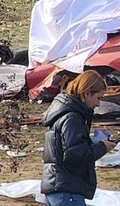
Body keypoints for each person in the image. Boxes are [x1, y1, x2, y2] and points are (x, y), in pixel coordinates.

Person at [41, 70, 116, 205]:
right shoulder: (72, 118)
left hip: (57, 186)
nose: (98, 104)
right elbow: (74, 154)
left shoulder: (62, 113)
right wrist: (101, 147)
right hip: (67, 190)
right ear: (87, 93)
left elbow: (69, 148)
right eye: (98, 97)